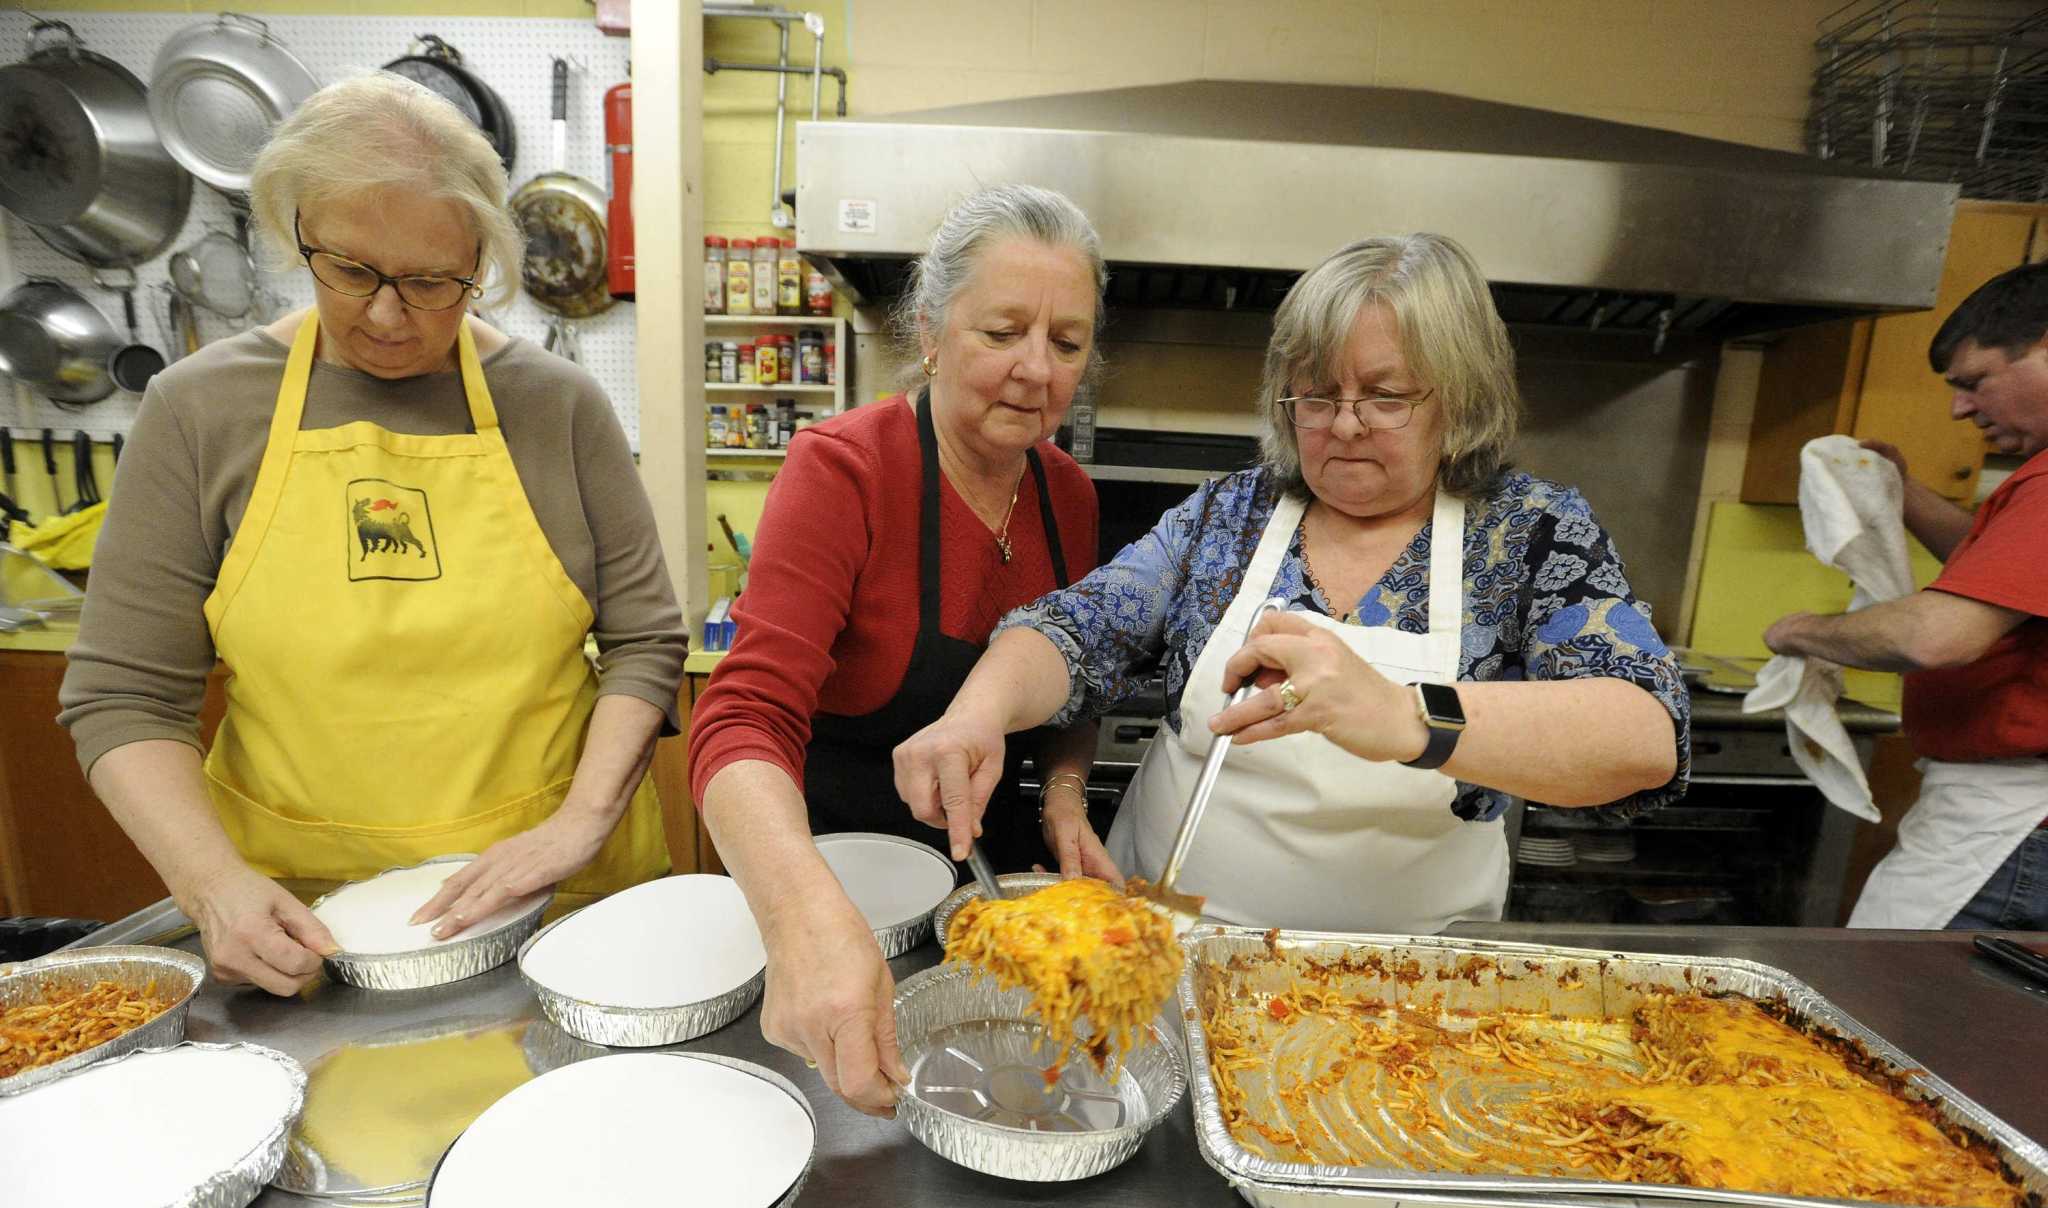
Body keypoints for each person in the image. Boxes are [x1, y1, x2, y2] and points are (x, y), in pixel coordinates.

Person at [58, 75, 685, 996]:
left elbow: (645, 642)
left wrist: (582, 823)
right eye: (351, 270)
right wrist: (214, 885)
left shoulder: (558, 407)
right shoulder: (199, 410)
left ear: (482, 259)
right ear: (294, 227)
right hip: (307, 923)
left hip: (561, 904)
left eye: (433, 283)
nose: (388, 317)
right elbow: (122, 696)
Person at [895, 233, 1689, 932]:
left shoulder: (1527, 532)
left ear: (1460, 396)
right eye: (1317, 394)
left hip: (1404, 992)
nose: (1344, 423)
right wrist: (978, 713)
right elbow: (1074, 628)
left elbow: (1644, 732)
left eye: (1384, 395)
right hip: (1172, 947)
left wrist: (1406, 714)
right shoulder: (1231, 516)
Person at [687, 185, 1108, 1115]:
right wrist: (803, 915)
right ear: (930, 329)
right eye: (1003, 332)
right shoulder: (844, 470)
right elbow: (741, 717)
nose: (1036, 369)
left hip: (982, 904)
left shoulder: (1067, 497)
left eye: (1066, 342)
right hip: (834, 899)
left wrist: (1068, 792)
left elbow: (1076, 685)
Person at [1764, 263, 2048, 930]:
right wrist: (1899, 490)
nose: (1959, 408)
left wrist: (1799, 630)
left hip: (2010, 822)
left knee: (1898, 1016)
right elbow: (1999, 570)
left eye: (1976, 383)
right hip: (2006, 814)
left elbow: (1935, 635)